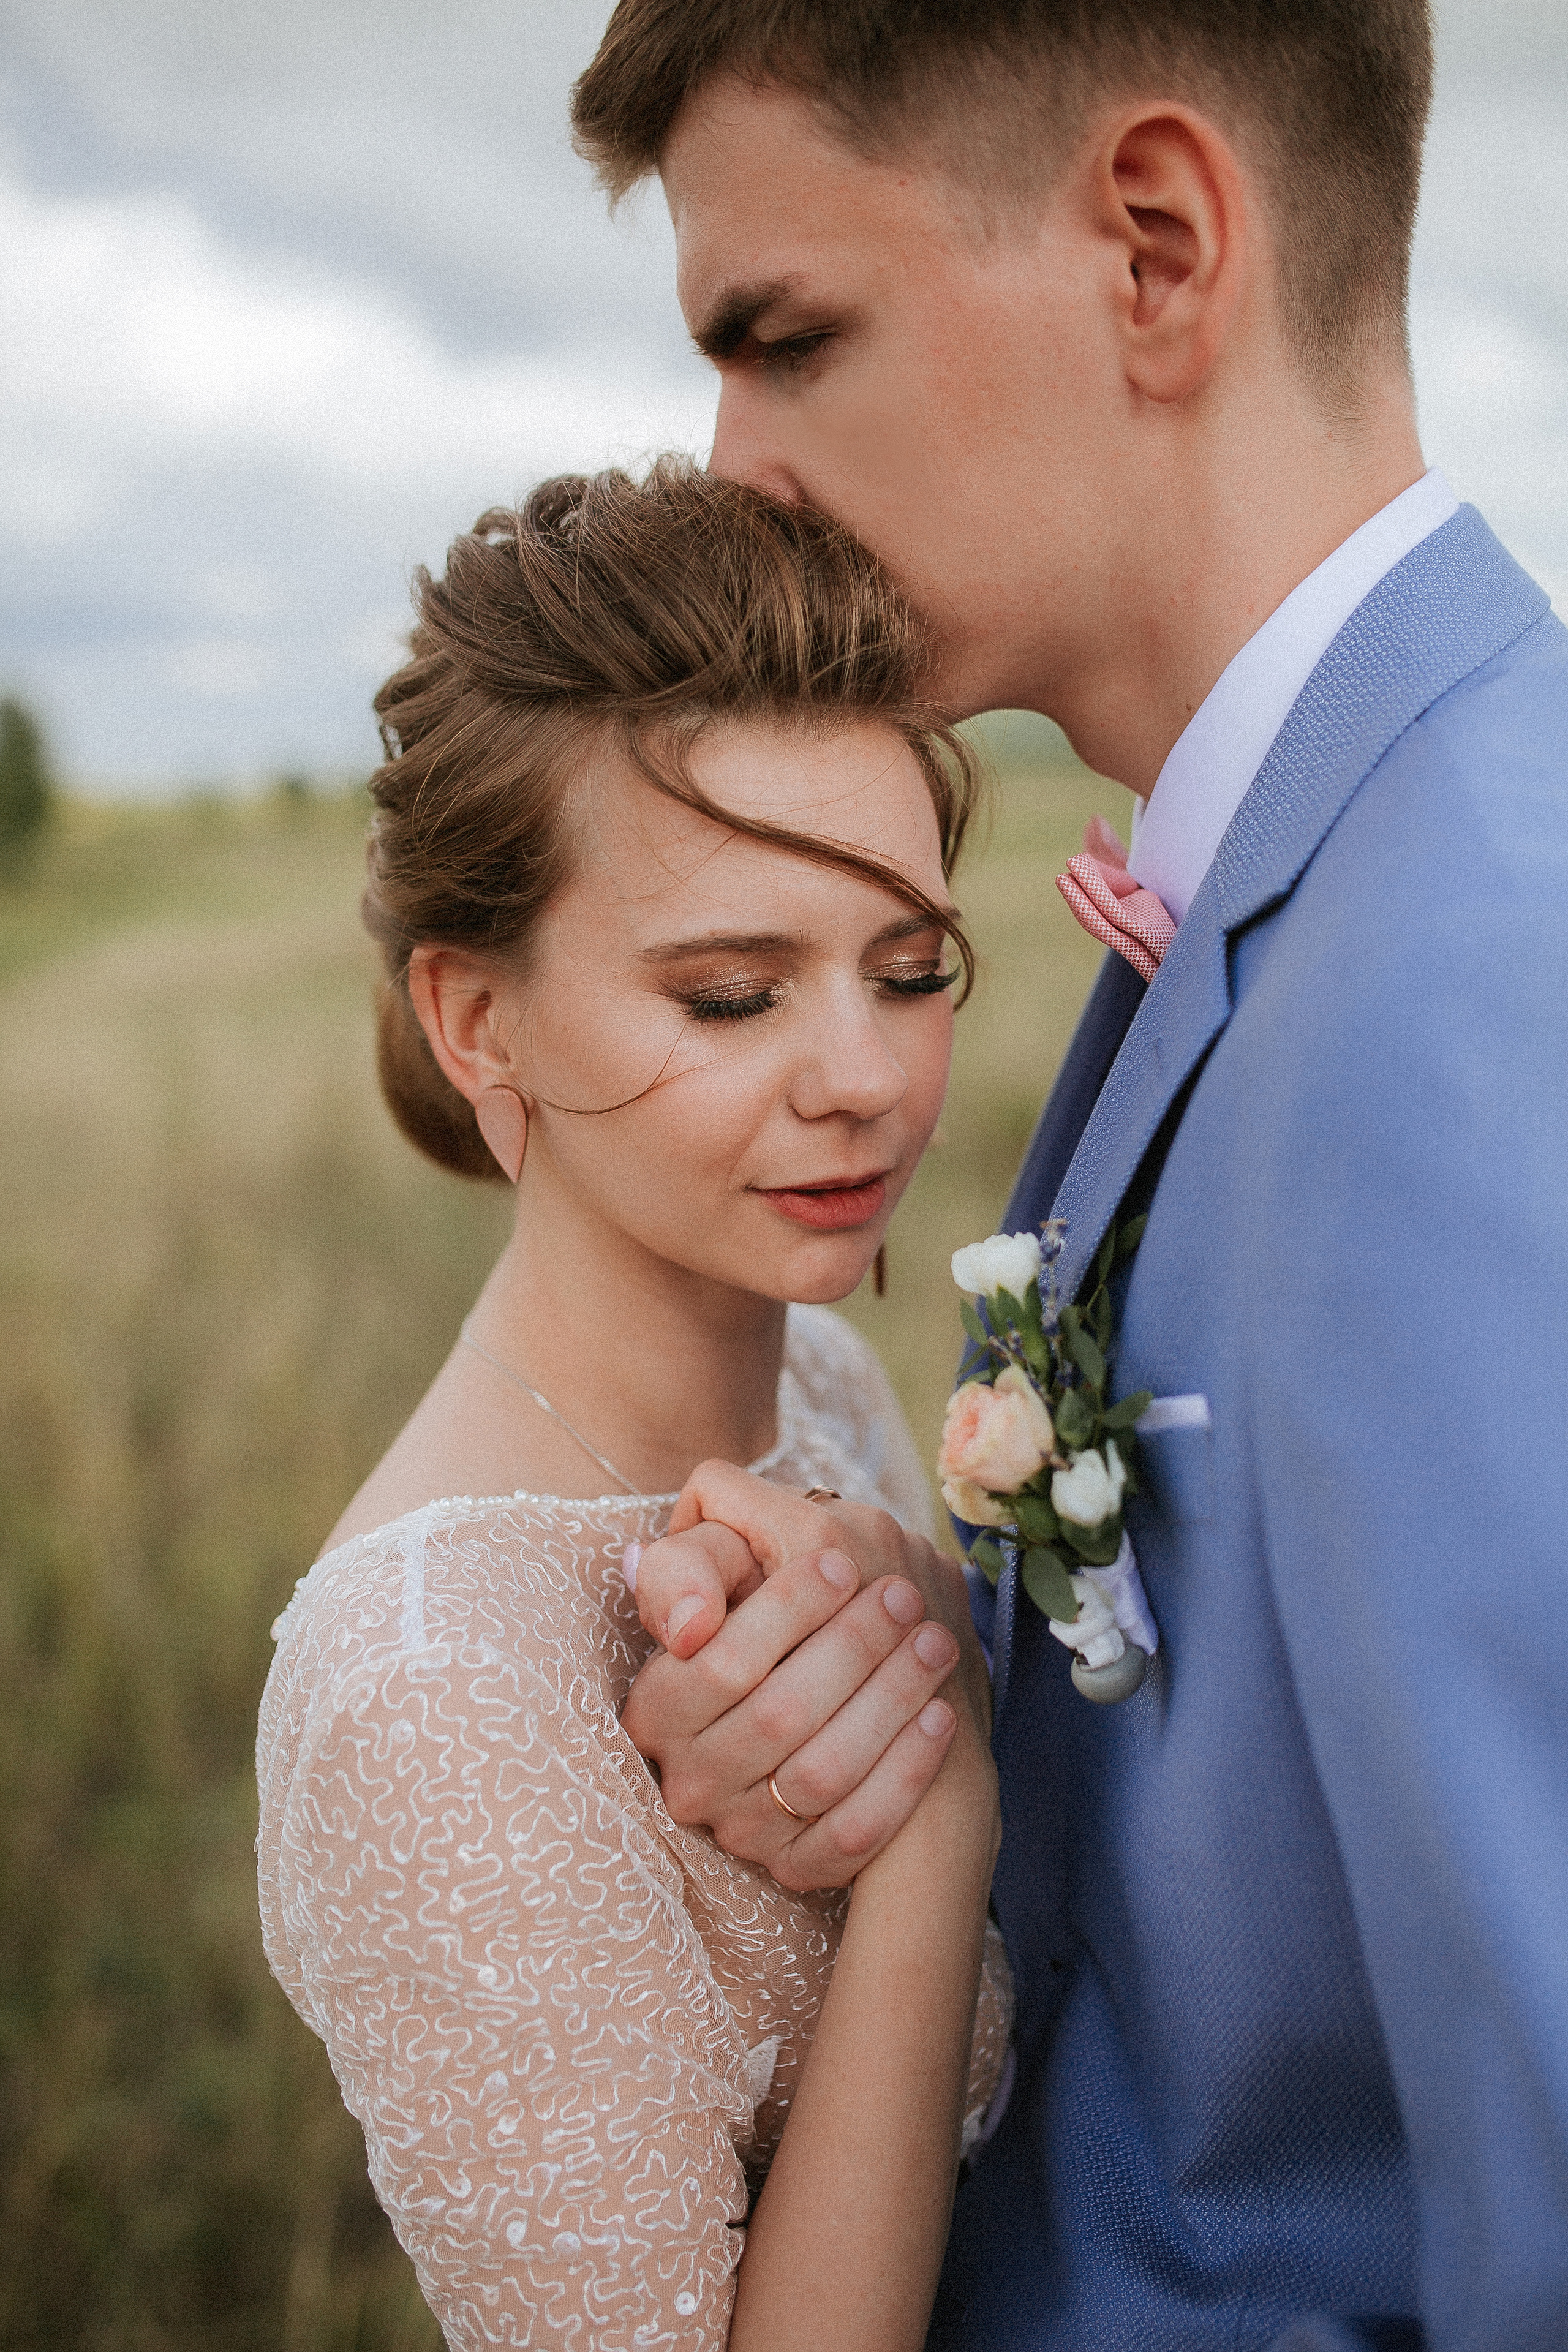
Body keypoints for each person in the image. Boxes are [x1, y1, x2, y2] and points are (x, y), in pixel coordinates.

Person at [568, 5, 1568, 2348]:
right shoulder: (1280, 885)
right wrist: (916, 1688)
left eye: (789, 339)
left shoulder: (1484, 985)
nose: (735, 473)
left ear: (1153, 244)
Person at [256, 460, 1019, 2352]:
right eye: (733, 995)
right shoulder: (425, 1699)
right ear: (476, 1020)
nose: (865, 1078)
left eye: (911, 970)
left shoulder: (822, 1381)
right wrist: (930, 1832)